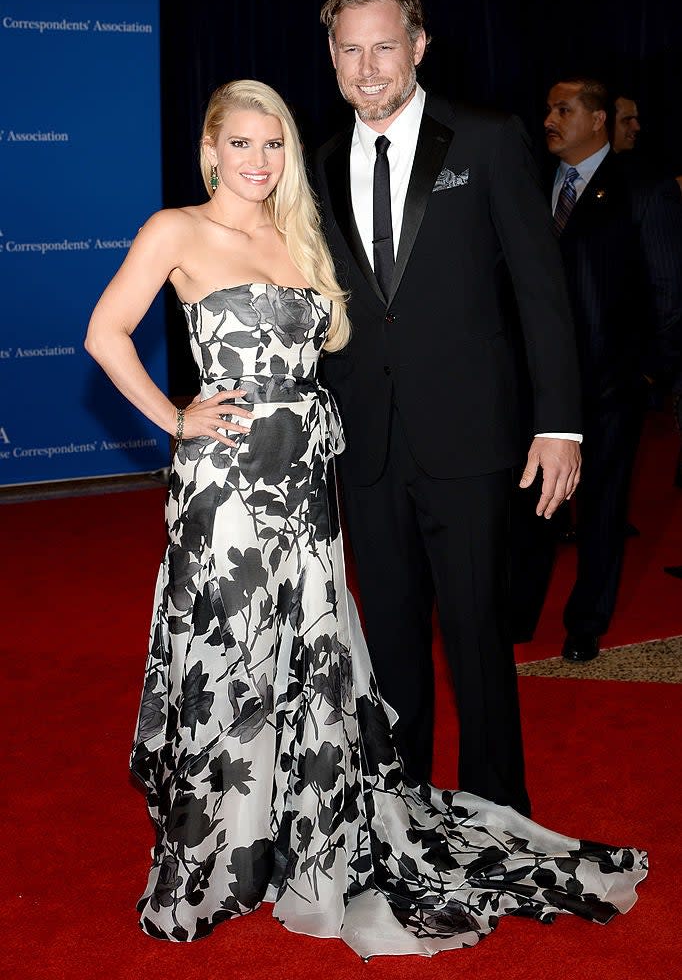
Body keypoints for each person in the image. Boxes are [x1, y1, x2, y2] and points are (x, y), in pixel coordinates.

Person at [85, 78, 646, 957]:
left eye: (273, 144)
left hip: (309, 486)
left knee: (309, 656)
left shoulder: (300, 235)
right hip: (227, 489)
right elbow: (104, 333)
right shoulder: (175, 229)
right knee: (232, 657)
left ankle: (292, 834)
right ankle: (216, 856)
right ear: (209, 149)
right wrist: (176, 417)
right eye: (241, 143)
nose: (259, 161)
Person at [315, 0, 581, 817]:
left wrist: (561, 427)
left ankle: (499, 815)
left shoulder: (487, 137)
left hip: (471, 440)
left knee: (476, 642)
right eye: (350, 50)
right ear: (331, 55)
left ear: (419, 46)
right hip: (368, 445)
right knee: (390, 647)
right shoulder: (315, 165)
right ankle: (402, 816)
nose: (368, 68)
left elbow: (543, 291)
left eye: (384, 46)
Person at [514, 77, 682, 663]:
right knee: (532, 497)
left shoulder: (643, 187)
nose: (549, 120)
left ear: (599, 119)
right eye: (548, 108)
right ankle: (519, 610)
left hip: (612, 382)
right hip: (535, 382)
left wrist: (651, 373)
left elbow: (668, 287)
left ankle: (586, 621)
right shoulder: (531, 185)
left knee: (603, 506)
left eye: (563, 109)